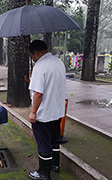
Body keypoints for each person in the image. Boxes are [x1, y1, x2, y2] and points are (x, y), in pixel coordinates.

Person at [28, 40, 66, 180]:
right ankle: (55, 165)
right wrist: (33, 78)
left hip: (43, 113)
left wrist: (33, 112)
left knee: (44, 143)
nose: (33, 59)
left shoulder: (40, 65)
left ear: (36, 53)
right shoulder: (58, 62)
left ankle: (44, 173)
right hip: (57, 110)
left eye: (32, 56)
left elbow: (38, 93)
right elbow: (52, 83)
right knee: (55, 140)